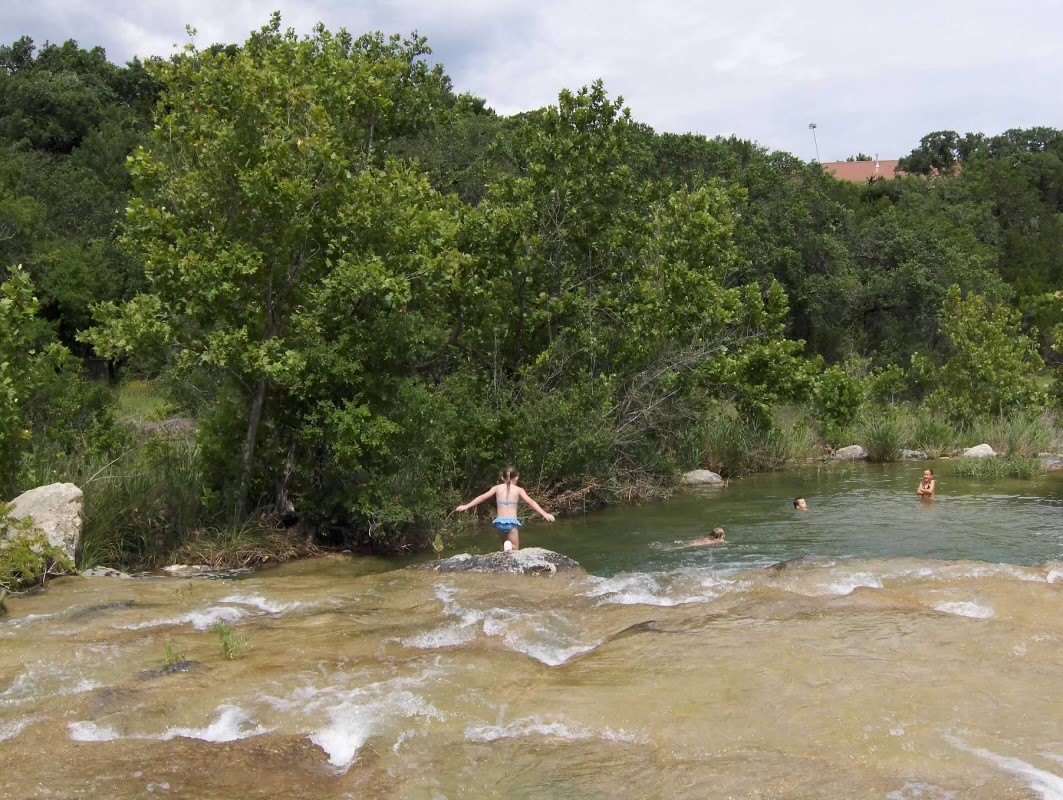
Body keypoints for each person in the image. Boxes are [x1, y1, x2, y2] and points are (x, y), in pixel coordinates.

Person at [455, 466, 555, 552]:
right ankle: (510, 546)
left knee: (503, 546)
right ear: (516, 477)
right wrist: (544, 513)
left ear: (503, 478)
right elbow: (531, 502)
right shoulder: (519, 490)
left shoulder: (496, 488)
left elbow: (482, 497)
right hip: (511, 523)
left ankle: (505, 554)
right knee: (515, 548)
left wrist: (467, 506)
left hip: (499, 523)